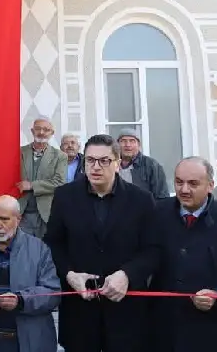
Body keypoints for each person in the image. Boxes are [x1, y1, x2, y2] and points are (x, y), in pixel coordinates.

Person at [44, 134, 159, 352]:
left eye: (104, 161)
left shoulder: (141, 200)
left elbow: (153, 250)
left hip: (127, 312)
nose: (95, 167)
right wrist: (69, 274)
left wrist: (127, 275)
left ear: (117, 163)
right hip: (80, 310)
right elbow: (53, 243)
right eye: (90, 160)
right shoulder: (64, 196)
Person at [148, 157, 217, 352]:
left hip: (212, 330)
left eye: (193, 184)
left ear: (210, 185)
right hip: (163, 330)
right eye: (178, 182)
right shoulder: (157, 213)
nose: (184, 190)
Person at [0, 195, 60, 352]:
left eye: (4, 219)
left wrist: (21, 300)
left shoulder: (39, 249)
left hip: (31, 341)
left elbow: (53, 293)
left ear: (18, 219)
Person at [17, 117, 68, 238]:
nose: (41, 132)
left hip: (45, 214)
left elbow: (60, 182)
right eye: (38, 128)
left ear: (52, 133)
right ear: (32, 131)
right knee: (23, 250)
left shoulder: (60, 156)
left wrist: (32, 185)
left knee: (44, 250)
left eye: (46, 129)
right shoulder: (18, 152)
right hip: (21, 212)